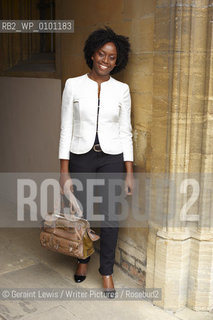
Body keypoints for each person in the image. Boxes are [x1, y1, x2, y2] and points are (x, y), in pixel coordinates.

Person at [58, 26, 134, 298]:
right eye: (102, 54)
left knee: (111, 217)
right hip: (81, 157)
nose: (106, 60)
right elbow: (66, 128)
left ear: (118, 60)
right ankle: (82, 259)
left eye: (112, 57)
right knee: (83, 213)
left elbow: (126, 131)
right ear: (92, 54)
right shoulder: (73, 84)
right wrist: (64, 172)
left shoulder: (122, 90)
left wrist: (128, 172)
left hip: (112, 158)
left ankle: (107, 272)